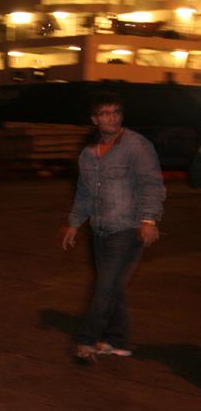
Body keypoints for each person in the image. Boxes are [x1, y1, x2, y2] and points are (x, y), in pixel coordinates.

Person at [62, 92, 166, 362]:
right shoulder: (88, 154)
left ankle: (86, 341)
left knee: (105, 287)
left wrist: (149, 219)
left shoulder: (137, 146)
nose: (112, 118)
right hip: (99, 229)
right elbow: (84, 192)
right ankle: (117, 341)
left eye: (116, 112)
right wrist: (74, 223)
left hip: (127, 228)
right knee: (112, 286)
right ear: (95, 119)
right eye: (105, 113)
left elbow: (151, 184)